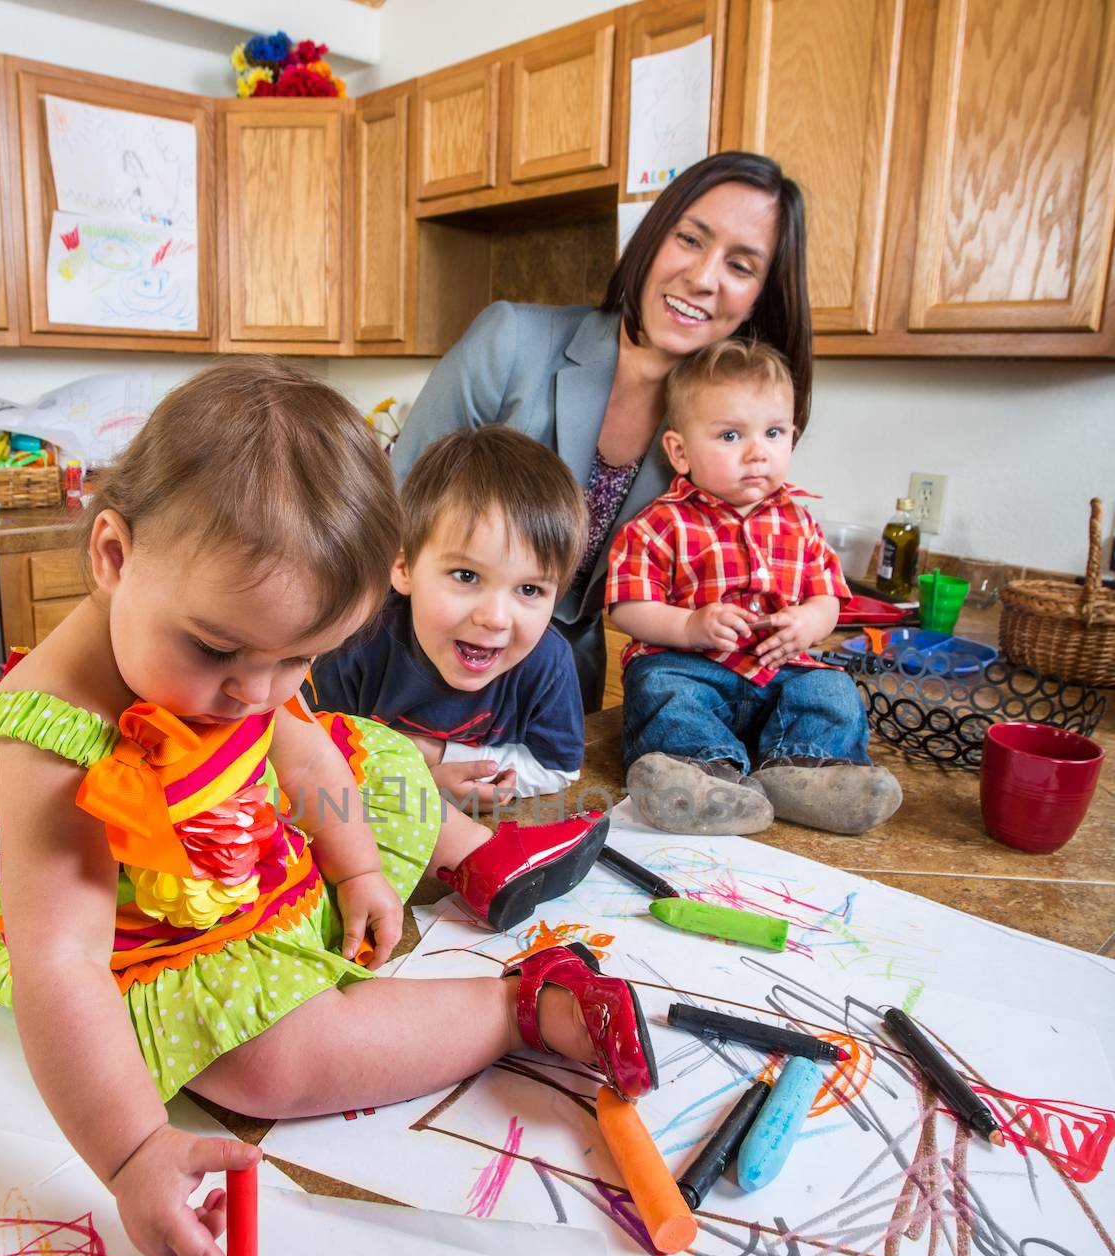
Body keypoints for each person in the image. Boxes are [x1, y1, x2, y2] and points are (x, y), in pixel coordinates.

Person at [0, 359, 657, 1256]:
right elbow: (62, 967)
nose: (255, 693)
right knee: (269, 1067)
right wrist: (133, 1152)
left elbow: (305, 755)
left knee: (383, 762)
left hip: (254, 862)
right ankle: (523, 1006)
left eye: (300, 658)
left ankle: (477, 863)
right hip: (147, 946)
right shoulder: (53, 746)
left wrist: (353, 871)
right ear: (113, 556)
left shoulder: (240, 656)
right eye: (220, 652)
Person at [391, 150, 813, 712]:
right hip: (413, 665)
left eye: (740, 266)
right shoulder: (510, 341)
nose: (703, 277)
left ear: (762, 295)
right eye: (690, 239)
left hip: (561, 689)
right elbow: (387, 518)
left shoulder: (725, 435)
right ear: (653, 237)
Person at [605, 339, 902, 836]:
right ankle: (703, 775)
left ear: (792, 436)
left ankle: (807, 772)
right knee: (659, 687)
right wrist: (690, 624)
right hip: (695, 669)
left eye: (773, 432)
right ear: (679, 451)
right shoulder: (661, 523)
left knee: (831, 687)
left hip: (781, 672)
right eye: (729, 435)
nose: (757, 452)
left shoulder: (800, 523)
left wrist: (808, 621)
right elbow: (628, 606)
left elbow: (827, 596)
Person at [308, 425, 587, 807]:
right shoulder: (355, 644)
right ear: (404, 569)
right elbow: (310, 754)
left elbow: (559, 768)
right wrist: (419, 780)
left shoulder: (548, 663)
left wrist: (439, 755)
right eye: (467, 576)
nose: (496, 618)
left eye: (529, 589)